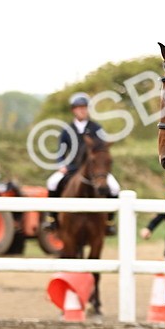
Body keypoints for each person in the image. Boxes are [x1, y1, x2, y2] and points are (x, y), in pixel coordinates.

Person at [46, 92, 122, 231]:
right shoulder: (67, 130)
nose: (82, 110)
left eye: (84, 107)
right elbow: (61, 150)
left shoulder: (96, 128)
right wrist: (61, 164)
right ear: (73, 110)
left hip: (95, 169)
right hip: (72, 167)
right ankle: (52, 219)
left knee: (115, 187)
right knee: (52, 182)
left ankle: (109, 222)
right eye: (79, 107)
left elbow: (103, 148)